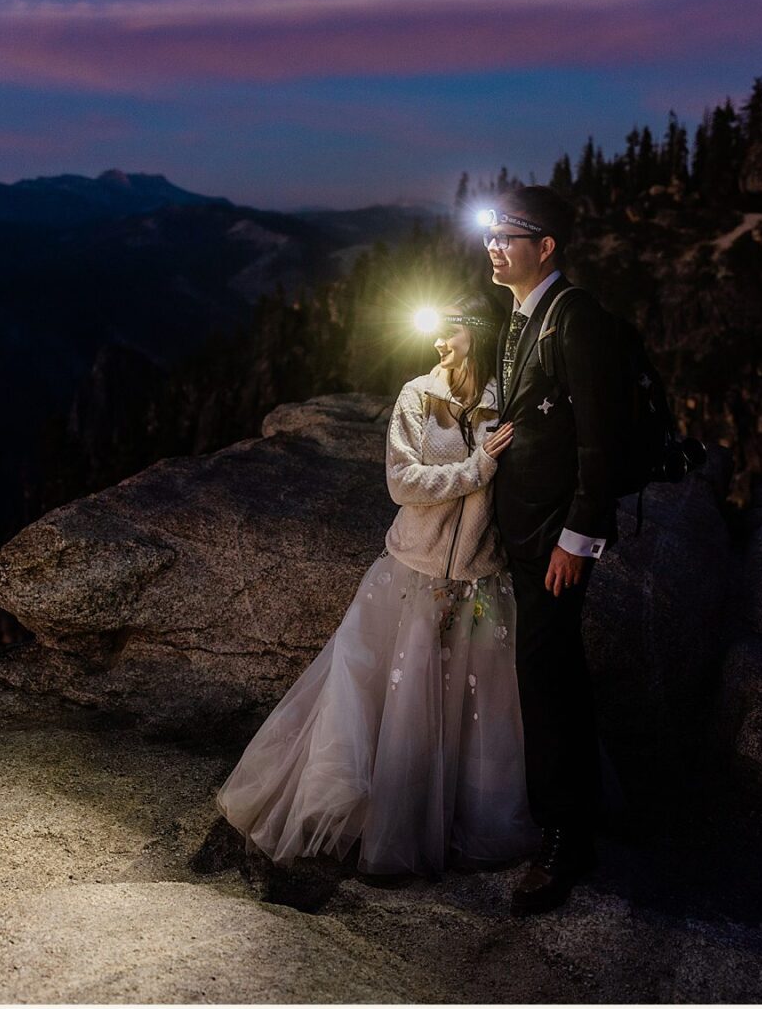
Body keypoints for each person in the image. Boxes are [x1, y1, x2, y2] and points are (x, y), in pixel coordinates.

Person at [215, 292, 540, 875]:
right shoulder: (417, 395)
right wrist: (476, 469)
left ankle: (442, 819)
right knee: (378, 693)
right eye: (435, 329)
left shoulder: (504, 405)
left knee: (467, 709)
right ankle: (371, 818)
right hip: (410, 573)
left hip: (481, 578)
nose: (438, 341)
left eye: (449, 331)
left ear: (477, 335)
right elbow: (402, 482)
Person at [483, 185, 624, 916]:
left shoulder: (575, 319)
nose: (495, 246)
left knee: (551, 679)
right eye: (490, 234)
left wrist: (579, 539)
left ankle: (568, 838)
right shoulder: (521, 316)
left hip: (554, 543)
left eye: (511, 235)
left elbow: (603, 441)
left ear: (547, 247)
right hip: (525, 531)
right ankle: (561, 820)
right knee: (542, 671)